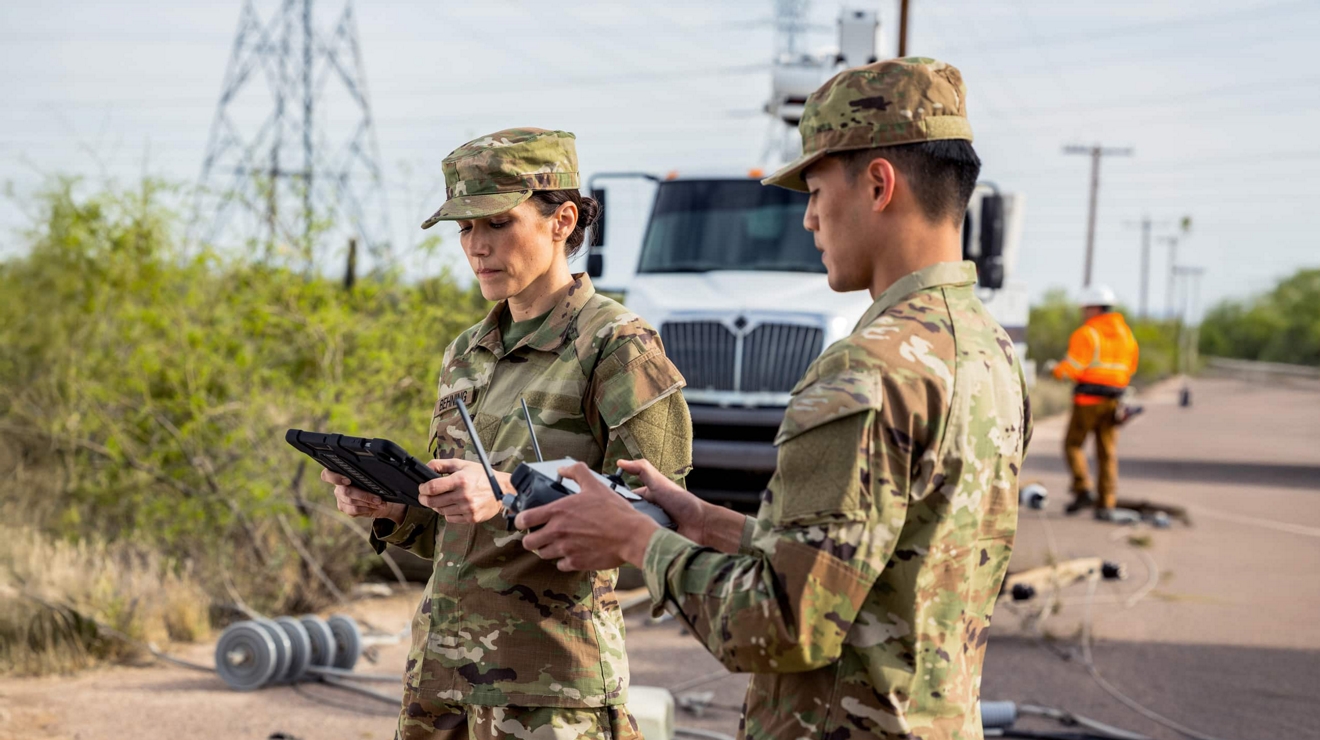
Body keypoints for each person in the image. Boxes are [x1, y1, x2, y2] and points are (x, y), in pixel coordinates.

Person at [516, 59, 1032, 740]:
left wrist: (636, 540)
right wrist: (699, 521)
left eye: (815, 192)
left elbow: (787, 626)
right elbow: (876, 567)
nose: (810, 220)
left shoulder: (866, 371)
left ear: (879, 184)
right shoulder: (985, 348)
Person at [318, 127, 693, 740]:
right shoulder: (467, 353)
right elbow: (460, 531)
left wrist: (511, 491)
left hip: (549, 693)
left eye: (497, 223)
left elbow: (662, 518)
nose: (477, 247)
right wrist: (399, 505)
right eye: (465, 229)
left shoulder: (618, 348)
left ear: (561, 221)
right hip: (442, 684)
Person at [1050, 284, 1139, 518]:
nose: (1083, 313)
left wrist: (1055, 371)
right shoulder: (1126, 334)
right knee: (1107, 452)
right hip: (1115, 402)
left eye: (1085, 308)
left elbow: (1072, 369)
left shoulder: (1087, 334)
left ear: (1095, 308)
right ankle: (1106, 503)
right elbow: (1131, 367)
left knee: (1073, 445)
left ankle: (1082, 491)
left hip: (1088, 400)